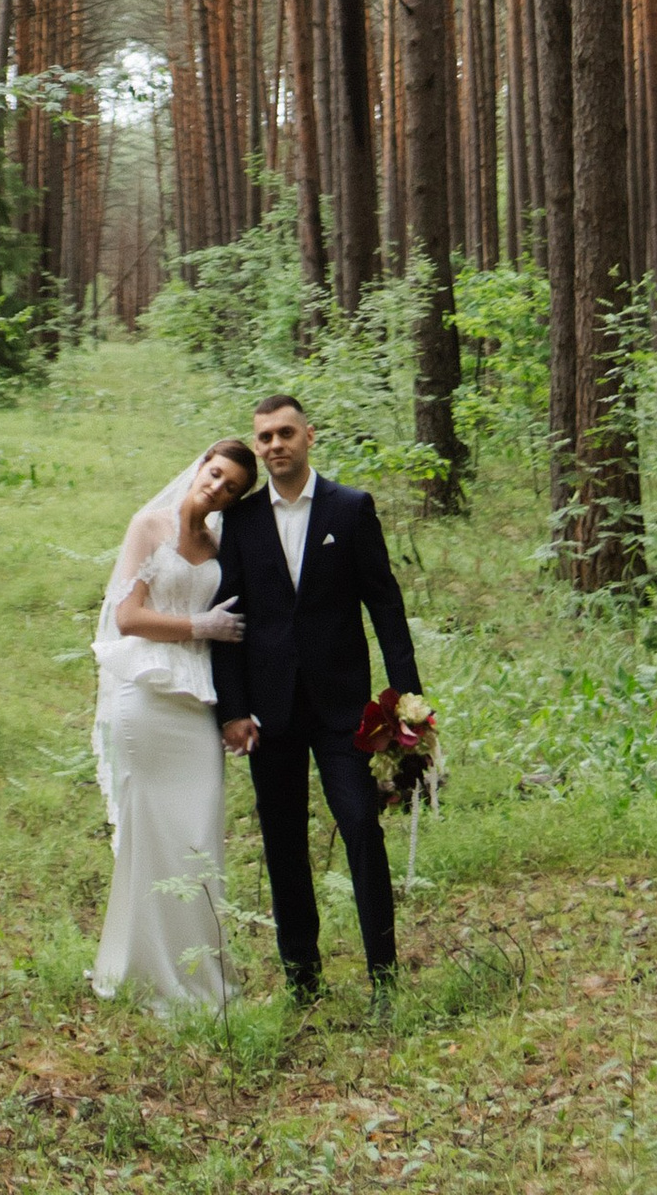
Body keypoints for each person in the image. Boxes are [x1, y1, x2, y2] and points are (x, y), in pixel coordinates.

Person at [211, 393, 424, 1003]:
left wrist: (406, 701)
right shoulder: (242, 521)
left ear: (308, 436)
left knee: (360, 825)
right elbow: (229, 620)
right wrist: (232, 709)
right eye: (263, 438)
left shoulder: (351, 509)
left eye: (284, 434)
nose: (274, 445)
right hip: (268, 711)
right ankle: (303, 979)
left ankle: (384, 974)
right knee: (283, 842)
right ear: (257, 447)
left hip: (343, 709)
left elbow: (384, 603)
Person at [89, 437, 257, 1016]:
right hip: (150, 697)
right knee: (149, 837)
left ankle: (199, 972)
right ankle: (142, 970)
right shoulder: (150, 526)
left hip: (197, 707)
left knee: (199, 838)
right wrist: (197, 626)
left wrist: (239, 708)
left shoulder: (218, 545)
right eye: (215, 473)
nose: (217, 487)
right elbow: (127, 617)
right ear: (199, 466)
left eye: (231, 486)